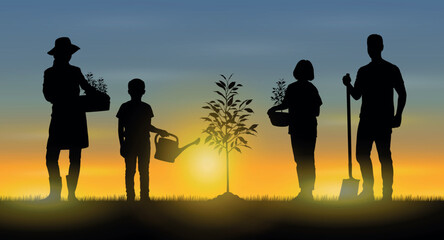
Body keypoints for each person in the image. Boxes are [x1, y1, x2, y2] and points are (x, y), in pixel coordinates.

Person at [342, 34, 407, 201]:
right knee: (362, 155)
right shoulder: (363, 71)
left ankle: (386, 193)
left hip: (382, 120)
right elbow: (356, 95)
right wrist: (348, 85)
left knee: (384, 156)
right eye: (369, 46)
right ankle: (369, 190)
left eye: (374, 46)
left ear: (381, 47)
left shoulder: (391, 69)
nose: (371, 49)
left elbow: (402, 93)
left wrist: (398, 115)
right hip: (367, 119)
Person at [43, 37, 97, 201]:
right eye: (66, 53)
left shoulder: (69, 71)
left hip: (68, 116)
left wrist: (95, 94)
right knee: (56, 156)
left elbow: (87, 88)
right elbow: (48, 95)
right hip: (68, 116)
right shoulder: (53, 72)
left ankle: (67, 195)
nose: (68, 56)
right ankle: (58, 194)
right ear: (59, 54)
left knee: (67, 156)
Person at [268, 60, 322, 200]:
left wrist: (275, 109)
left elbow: (286, 104)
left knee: (301, 159)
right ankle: (307, 191)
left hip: (298, 127)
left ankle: (306, 192)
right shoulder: (311, 88)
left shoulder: (293, 88)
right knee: (307, 159)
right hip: (308, 127)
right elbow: (316, 111)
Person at [117, 78, 170, 202]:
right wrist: (122, 144)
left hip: (138, 143)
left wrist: (122, 144)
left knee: (136, 171)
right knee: (139, 171)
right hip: (137, 143)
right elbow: (121, 128)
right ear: (143, 92)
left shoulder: (135, 107)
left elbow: (121, 129)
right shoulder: (143, 107)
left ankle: (139, 197)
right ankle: (138, 197)